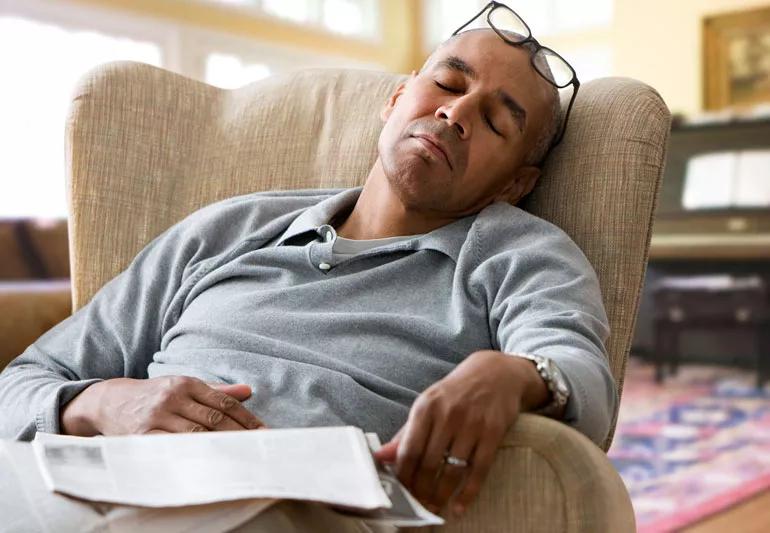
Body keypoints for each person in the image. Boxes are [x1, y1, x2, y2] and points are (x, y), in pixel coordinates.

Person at [0, 3, 616, 529]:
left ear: (515, 184)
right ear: (398, 98)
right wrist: (103, 403)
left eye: (494, 121)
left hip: (278, 511)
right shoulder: (227, 228)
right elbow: (20, 384)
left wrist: (511, 374)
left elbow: (580, 372)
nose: (455, 115)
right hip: (92, 483)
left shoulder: (521, 252)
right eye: (449, 86)